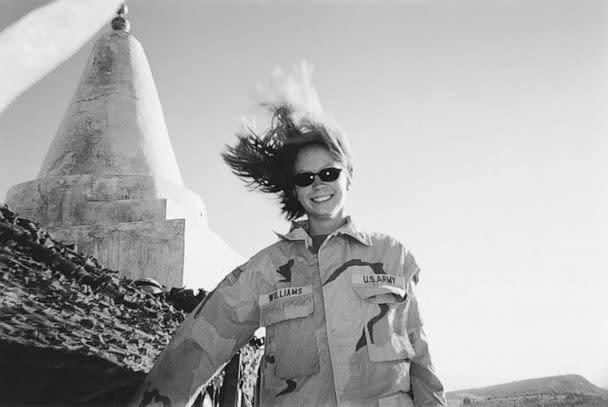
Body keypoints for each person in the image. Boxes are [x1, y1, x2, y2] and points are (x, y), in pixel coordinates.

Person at [128, 63, 446, 407]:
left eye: (328, 172)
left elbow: (421, 361)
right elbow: (198, 345)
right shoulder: (266, 269)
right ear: (295, 189)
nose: (318, 184)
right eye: (305, 178)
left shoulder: (392, 256)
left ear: (349, 175)